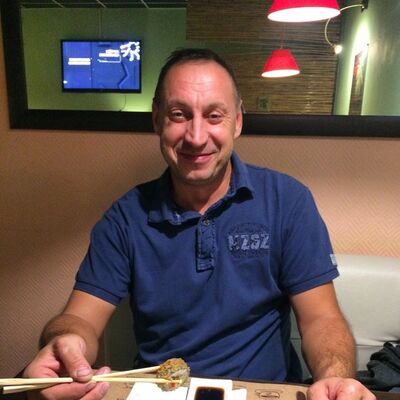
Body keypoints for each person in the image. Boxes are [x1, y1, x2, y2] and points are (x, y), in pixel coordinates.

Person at [23, 48, 375, 400]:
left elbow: (322, 320)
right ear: (157, 119)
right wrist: (64, 343)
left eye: (214, 116)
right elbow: (80, 319)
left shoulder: (287, 201)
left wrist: (335, 379)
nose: (195, 136)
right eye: (179, 114)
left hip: (264, 392)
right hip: (162, 392)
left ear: (237, 122)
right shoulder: (125, 218)